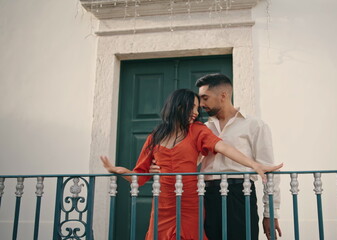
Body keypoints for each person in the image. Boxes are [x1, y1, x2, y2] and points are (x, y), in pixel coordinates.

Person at [100, 89, 282, 240]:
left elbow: (223, 147)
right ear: (178, 106)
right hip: (163, 206)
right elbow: (138, 178)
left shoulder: (197, 130)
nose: (196, 113)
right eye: (192, 108)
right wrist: (117, 170)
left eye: (197, 108)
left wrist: (254, 164)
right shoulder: (154, 137)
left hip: (190, 204)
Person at [151, 74, 282, 240]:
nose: (201, 105)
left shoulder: (255, 125)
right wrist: (159, 166)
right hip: (206, 196)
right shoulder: (199, 129)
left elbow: (269, 170)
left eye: (205, 98)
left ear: (223, 96)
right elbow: (186, 161)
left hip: (240, 194)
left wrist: (270, 213)